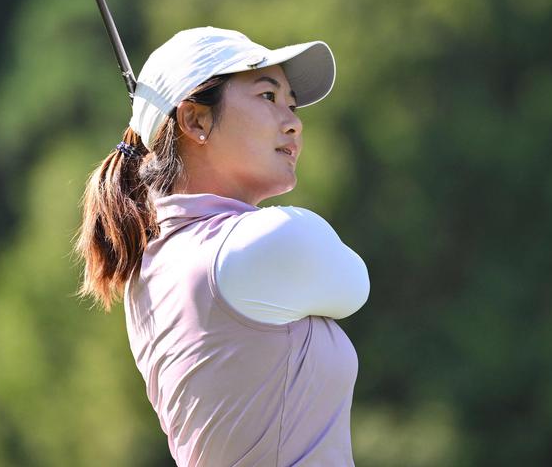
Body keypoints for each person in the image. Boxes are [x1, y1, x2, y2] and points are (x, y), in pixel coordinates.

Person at [76, 27, 370, 466]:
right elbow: (356, 286)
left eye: (290, 104)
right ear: (195, 120)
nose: (294, 121)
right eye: (268, 97)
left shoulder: (153, 264)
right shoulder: (271, 242)